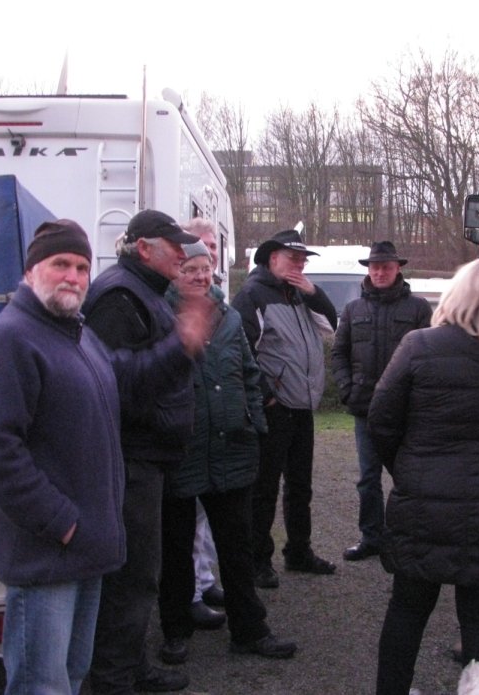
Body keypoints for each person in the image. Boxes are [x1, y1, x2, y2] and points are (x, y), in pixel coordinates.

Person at [368, 259, 479, 695]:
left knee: (408, 609)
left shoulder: (418, 345)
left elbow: (381, 420)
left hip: (424, 502)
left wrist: (407, 467)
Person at [0, 220, 123, 695]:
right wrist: (62, 522)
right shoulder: (9, 340)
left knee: (70, 678)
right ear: (31, 271)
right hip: (47, 555)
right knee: (41, 686)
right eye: (60, 264)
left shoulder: (79, 336)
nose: (73, 277)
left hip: (86, 550)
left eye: (82, 267)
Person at [84, 210, 215, 695]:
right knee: (131, 577)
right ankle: (114, 680)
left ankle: (132, 666)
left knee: (141, 573)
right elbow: (113, 383)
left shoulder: (145, 291)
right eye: (174, 246)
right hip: (131, 460)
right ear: (143, 248)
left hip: (149, 458)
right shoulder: (119, 296)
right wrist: (182, 344)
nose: (184, 253)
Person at [157, 241, 298, 663]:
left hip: (231, 447)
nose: (201, 276)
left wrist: (254, 423)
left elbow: (249, 372)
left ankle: (249, 630)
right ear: (174, 273)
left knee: (236, 548)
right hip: (182, 451)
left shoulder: (229, 316)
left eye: (205, 268)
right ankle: (175, 630)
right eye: (190, 269)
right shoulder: (160, 316)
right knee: (177, 550)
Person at [231, 228, 338, 589]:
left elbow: (331, 325)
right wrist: (265, 395)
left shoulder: (298, 294)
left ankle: (299, 551)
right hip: (275, 407)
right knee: (264, 488)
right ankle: (258, 560)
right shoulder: (252, 295)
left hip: (302, 405)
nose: (300, 265)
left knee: (300, 485)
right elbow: (240, 350)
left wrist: (313, 292)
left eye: (303, 260)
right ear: (272, 258)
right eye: (294, 258)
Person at [331, 240, 432, 562]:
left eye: (386, 267)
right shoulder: (353, 310)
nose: (379, 272)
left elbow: (427, 359)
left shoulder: (418, 309)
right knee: (368, 479)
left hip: (407, 412)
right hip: (366, 409)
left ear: (398, 268)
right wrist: (347, 389)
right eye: (375, 267)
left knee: (410, 477)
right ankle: (371, 537)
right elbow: (339, 353)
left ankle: (410, 537)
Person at [182, 218, 226, 627]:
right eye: (200, 246)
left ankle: (206, 580)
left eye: (212, 248)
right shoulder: (176, 305)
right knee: (190, 521)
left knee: (207, 519)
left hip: (217, 432)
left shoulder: (220, 303)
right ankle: (190, 593)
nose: (208, 252)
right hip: (189, 432)